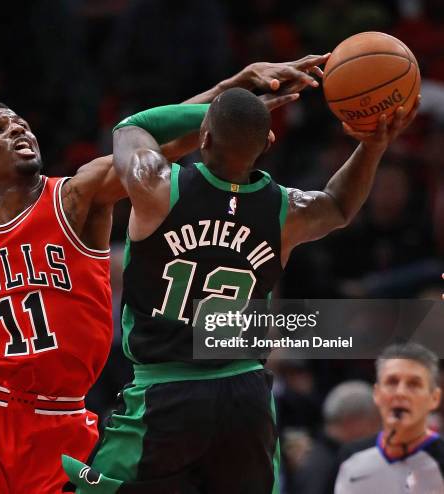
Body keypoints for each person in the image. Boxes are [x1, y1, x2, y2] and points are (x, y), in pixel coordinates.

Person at [0, 54, 328, 494]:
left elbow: (154, 147)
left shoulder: (76, 197)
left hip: (62, 421)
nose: (18, 129)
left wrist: (232, 94)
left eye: (21, 123)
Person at [63, 87, 419, 492]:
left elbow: (133, 125)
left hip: (165, 391)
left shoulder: (158, 185)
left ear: (204, 137)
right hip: (245, 395)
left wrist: (215, 110)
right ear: (268, 143)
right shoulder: (286, 209)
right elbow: (339, 204)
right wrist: (372, 146)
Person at [334, 343, 444, 493]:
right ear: (377, 394)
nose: (400, 392)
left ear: (434, 398)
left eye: (413, 384)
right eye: (392, 382)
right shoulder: (351, 456)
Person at [293, 381, 380, 494]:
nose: (379, 430)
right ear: (352, 421)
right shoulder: (325, 465)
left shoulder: (318, 455)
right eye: (375, 421)